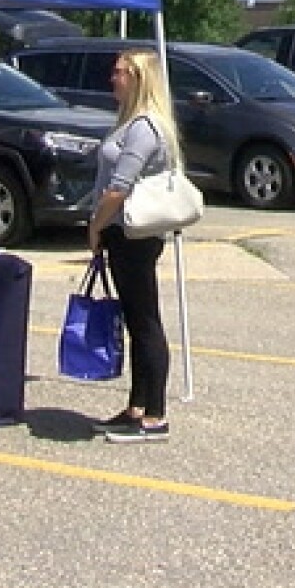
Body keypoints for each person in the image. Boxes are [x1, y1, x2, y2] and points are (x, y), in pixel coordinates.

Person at [87, 48, 183, 444]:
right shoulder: (131, 122)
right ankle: (136, 407)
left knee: (145, 323)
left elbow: (120, 187)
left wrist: (95, 226)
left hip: (132, 235)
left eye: (120, 72)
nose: (113, 78)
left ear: (139, 78)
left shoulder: (144, 126)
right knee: (135, 319)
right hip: (124, 235)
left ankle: (155, 414)